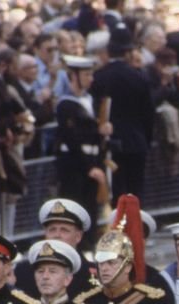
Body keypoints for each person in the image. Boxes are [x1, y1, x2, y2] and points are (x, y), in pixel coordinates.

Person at [89, 26, 154, 203]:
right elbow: (148, 114)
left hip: (110, 144)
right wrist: (145, 140)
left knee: (116, 195)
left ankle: (117, 230)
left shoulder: (99, 77)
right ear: (128, 53)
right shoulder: (139, 77)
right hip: (136, 141)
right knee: (135, 194)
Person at [54, 56, 108, 223]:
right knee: (75, 207)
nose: (90, 79)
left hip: (92, 159)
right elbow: (71, 139)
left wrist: (102, 131)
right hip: (75, 163)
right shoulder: (65, 105)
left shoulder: (91, 100)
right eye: (86, 75)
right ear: (74, 76)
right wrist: (89, 166)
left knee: (90, 208)